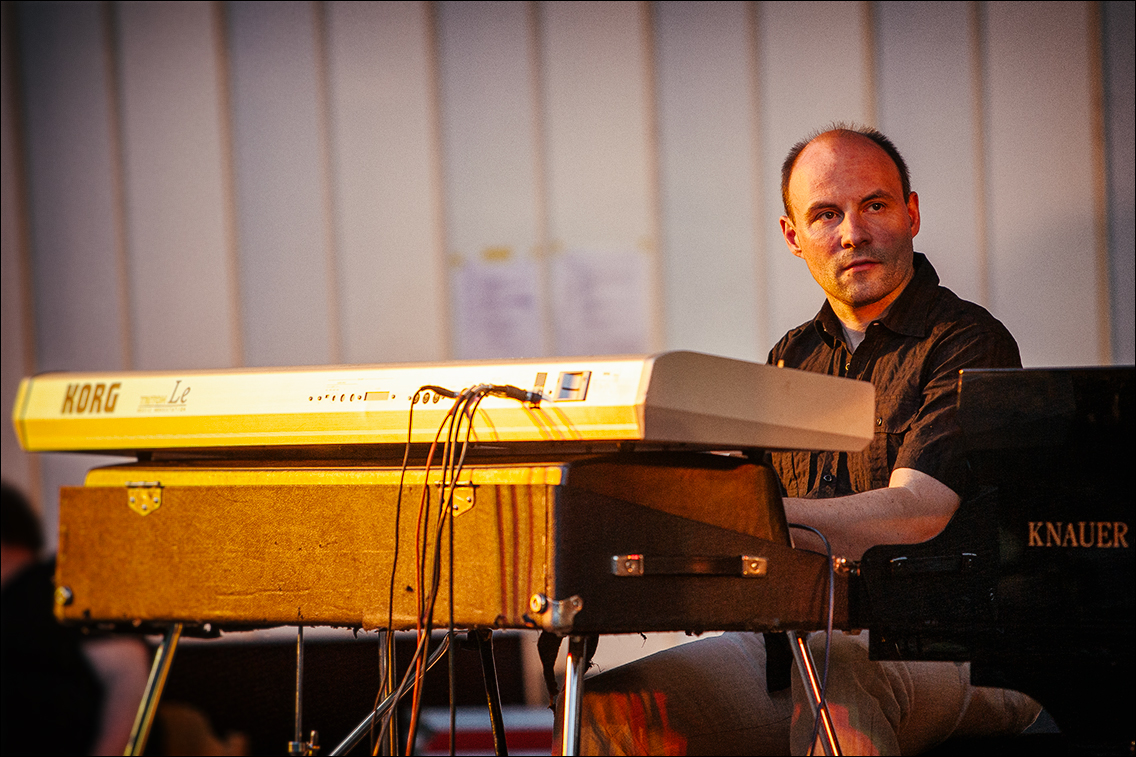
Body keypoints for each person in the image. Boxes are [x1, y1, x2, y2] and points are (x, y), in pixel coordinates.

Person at [561, 125, 1041, 755]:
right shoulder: (789, 357)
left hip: (960, 648)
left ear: (912, 212)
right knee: (611, 711)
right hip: (796, 641)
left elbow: (919, 513)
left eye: (875, 205)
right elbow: (761, 549)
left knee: (833, 671)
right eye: (825, 214)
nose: (852, 233)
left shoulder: (971, 342)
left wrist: (733, 521)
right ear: (793, 236)